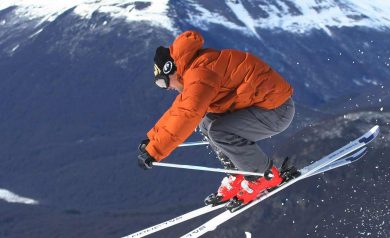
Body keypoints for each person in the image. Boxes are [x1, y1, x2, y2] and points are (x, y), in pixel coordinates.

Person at [138, 30, 295, 207]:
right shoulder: (195, 69)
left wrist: (155, 151)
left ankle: (264, 176)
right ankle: (239, 173)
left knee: (219, 131)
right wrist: (153, 139)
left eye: (163, 82)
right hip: (263, 105)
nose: (166, 88)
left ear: (171, 69)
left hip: (276, 110)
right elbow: (179, 108)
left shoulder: (200, 74)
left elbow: (187, 114)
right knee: (207, 123)